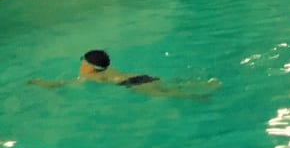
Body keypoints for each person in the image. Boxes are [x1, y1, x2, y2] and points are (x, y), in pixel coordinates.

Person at [31, 50, 215, 99]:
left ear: (88, 67)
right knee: (169, 85)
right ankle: (202, 84)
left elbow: (63, 84)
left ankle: (195, 97)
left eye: (82, 62)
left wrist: (41, 83)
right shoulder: (108, 71)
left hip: (133, 84)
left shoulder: (91, 76)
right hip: (142, 77)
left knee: (165, 94)